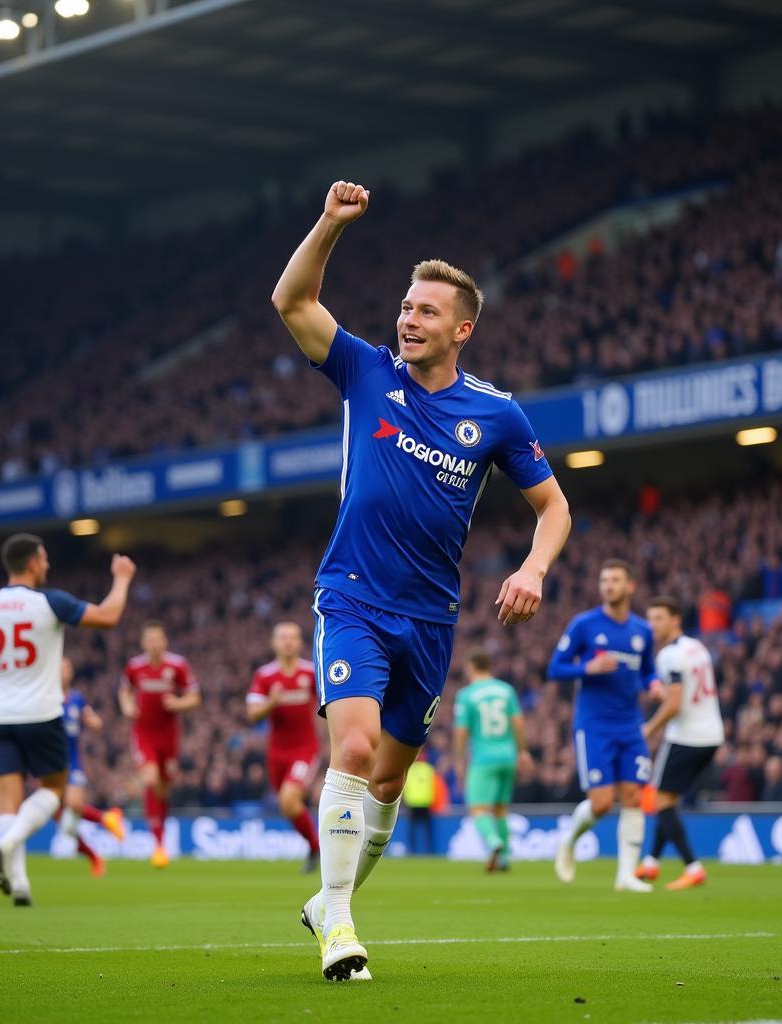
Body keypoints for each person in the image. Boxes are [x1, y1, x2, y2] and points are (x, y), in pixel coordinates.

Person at [271, 180, 570, 981]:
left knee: (391, 779)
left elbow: (554, 508)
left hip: (431, 620)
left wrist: (535, 568)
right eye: (405, 306)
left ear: (462, 328)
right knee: (356, 746)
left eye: (426, 311)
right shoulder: (367, 372)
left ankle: (328, 900)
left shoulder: (497, 415)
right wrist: (330, 224)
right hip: (353, 596)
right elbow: (291, 299)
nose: (408, 318)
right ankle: (339, 925)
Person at [0, 533, 136, 905]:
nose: (48, 565)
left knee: (8, 801)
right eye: (45, 558)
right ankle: (7, 843)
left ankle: (20, 884)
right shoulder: (48, 602)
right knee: (54, 791)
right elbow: (108, 616)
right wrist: (122, 578)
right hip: (41, 712)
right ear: (34, 562)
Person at [547, 559, 661, 893]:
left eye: (615, 580)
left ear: (630, 587)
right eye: (604, 580)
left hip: (631, 725)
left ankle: (626, 876)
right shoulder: (584, 625)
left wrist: (653, 684)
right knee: (600, 803)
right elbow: (555, 669)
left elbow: (648, 671)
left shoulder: (642, 631)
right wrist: (589, 668)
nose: (608, 585)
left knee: (633, 797)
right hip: (594, 725)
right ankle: (568, 840)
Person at [636, 596, 724, 890]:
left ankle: (693, 867)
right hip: (712, 733)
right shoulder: (697, 647)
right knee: (668, 799)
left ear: (675, 619)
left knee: (660, 801)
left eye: (659, 618)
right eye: (650, 619)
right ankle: (650, 863)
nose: (652, 625)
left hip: (686, 735)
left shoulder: (669, 656)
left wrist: (649, 728)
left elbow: (674, 705)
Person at [118, 621, 201, 868]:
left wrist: (178, 704)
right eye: (149, 639)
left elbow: (195, 697)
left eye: (158, 639)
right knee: (151, 780)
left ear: (165, 641)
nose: (154, 643)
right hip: (144, 734)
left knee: (164, 789)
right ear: (143, 643)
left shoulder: (177, 666)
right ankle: (158, 845)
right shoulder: (135, 667)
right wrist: (127, 706)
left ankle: (160, 838)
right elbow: (124, 690)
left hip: (169, 736)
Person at [246, 621, 322, 872]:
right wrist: (271, 702)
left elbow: (329, 703)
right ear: (274, 643)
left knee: (290, 799)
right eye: (283, 637)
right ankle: (313, 847)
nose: (288, 641)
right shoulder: (265, 676)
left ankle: (318, 848)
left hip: (305, 749)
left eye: (293, 637)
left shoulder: (312, 673)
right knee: (286, 805)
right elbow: (253, 714)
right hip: (276, 752)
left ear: (300, 642)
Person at [453, 648, 531, 872]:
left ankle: (492, 841)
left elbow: (461, 731)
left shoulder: (466, 695)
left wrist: (458, 759)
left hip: (483, 758)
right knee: (500, 810)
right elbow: (518, 722)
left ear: (471, 666)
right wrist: (522, 751)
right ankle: (505, 857)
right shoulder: (506, 690)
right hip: (508, 756)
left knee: (478, 810)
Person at [58, 656, 126, 876]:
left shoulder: (76, 699)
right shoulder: (44, 698)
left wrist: (93, 721)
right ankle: (95, 855)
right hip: (47, 764)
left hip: (71, 762)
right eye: (60, 668)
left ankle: (107, 818)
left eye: (67, 667)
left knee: (74, 803)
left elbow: (95, 721)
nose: (63, 671)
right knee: (67, 826)